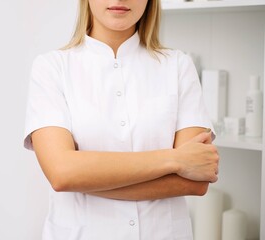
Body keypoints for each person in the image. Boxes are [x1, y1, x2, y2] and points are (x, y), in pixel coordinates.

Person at [24, 0, 219, 239]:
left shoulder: (178, 65)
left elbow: (195, 182)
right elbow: (62, 173)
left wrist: (86, 179)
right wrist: (176, 159)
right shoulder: (52, 67)